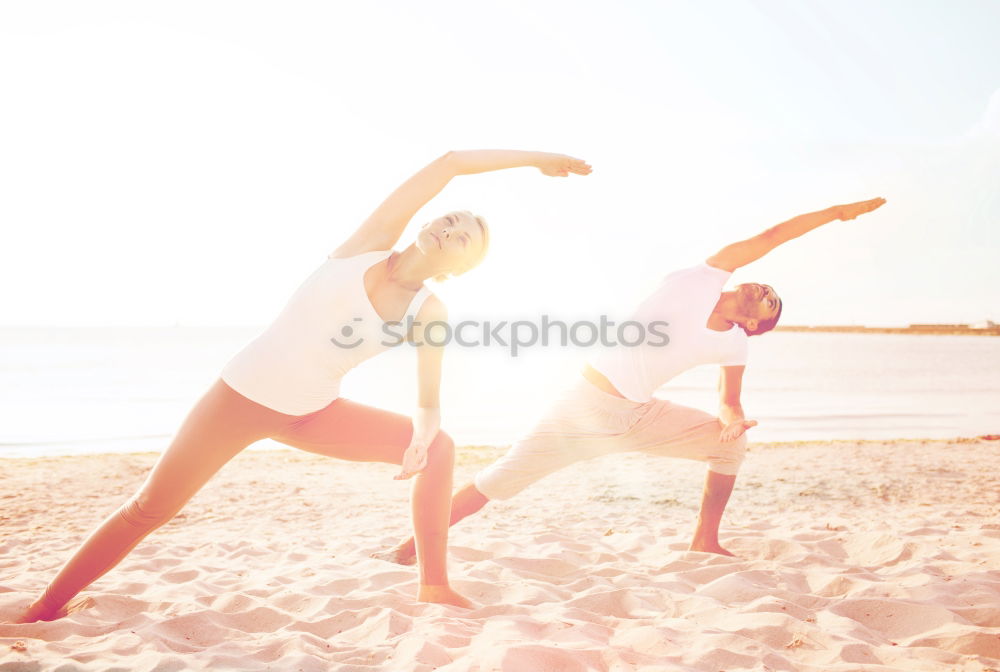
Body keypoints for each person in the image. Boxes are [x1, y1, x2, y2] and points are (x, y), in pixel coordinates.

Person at [16, 149, 593, 622]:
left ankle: (433, 585)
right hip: (238, 397)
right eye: (449, 219)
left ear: (461, 267)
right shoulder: (365, 246)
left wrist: (422, 436)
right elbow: (447, 164)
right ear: (425, 223)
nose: (450, 227)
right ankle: (45, 606)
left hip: (310, 414)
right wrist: (535, 160)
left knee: (440, 448)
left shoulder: (429, 309)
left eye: (464, 236)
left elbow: (428, 398)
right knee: (148, 508)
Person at [377, 197, 886, 564]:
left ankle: (704, 540)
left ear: (755, 325)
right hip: (583, 405)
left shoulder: (736, 344)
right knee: (498, 481)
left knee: (730, 449)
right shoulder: (704, 276)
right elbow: (773, 237)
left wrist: (733, 422)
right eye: (767, 287)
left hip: (639, 415)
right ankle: (412, 547)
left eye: (770, 302)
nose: (764, 289)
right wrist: (836, 214)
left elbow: (730, 401)